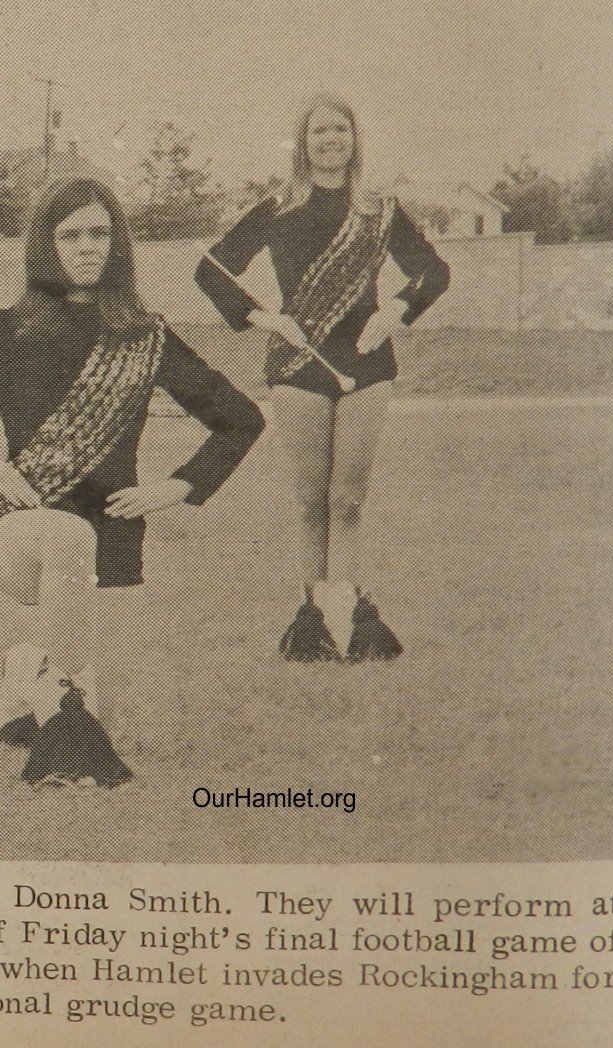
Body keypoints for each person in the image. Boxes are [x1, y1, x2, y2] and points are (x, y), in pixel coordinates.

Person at [0, 177, 263, 785]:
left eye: (100, 234)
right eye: (71, 234)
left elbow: (240, 418)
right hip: (18, 530)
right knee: (65, 551)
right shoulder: (10, 328)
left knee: (97, 684)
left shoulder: (147, 337)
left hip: (108, 542)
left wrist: (177, 486)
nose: (88, 246)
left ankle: (25, 672)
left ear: (117, 245)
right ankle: (63, 733)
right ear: (46, 246)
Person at [196, 94, 449, 661]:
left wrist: (396, 312)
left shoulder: (380, 211)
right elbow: (210, 269)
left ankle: (352, 616)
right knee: (312, 500)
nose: (330, 139)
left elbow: (435, 271)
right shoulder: (279, 206)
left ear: (355, 139)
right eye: (318, 131)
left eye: (340, 129)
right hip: (298, 363)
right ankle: (313, 622)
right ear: (302, 141)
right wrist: (264, 317)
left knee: (350, 498)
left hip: (366, 360)